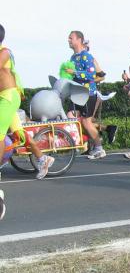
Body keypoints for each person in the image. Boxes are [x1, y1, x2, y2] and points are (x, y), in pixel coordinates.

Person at [0, 24, 54, 194]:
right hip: (4, 98)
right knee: (19, 134)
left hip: (8, 97)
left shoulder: (4, 52)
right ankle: (42, 158)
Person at [65, 30, 106, 159]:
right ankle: (81, 142)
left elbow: (91, 75)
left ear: (79, 40)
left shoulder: (86, 56)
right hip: (76, 94)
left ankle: (99, 148)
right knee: (70, 116)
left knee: (87, 122)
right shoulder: (73, 57)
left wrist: (74, 72)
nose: (68, 40)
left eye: (71, 38)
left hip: (88, 94)